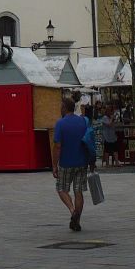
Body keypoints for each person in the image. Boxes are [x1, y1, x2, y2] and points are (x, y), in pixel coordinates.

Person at [52, 95, 89, 232]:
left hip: (66, 162)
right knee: (78, 191)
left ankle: (73, 211)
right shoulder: (82, 121)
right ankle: (77, 221)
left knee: (61, 189)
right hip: (81, 161)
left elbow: (57, 146)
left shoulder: (60, 124)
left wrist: (54, 165)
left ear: (64, 108)